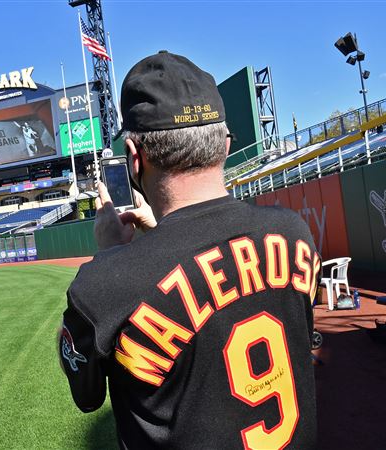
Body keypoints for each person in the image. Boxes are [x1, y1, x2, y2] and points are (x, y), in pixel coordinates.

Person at [58, 51, 320, 449]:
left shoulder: (104, 285)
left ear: (133, 157)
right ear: (226, 143)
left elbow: (86, 393)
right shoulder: (294, 232)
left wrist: (110, 254)